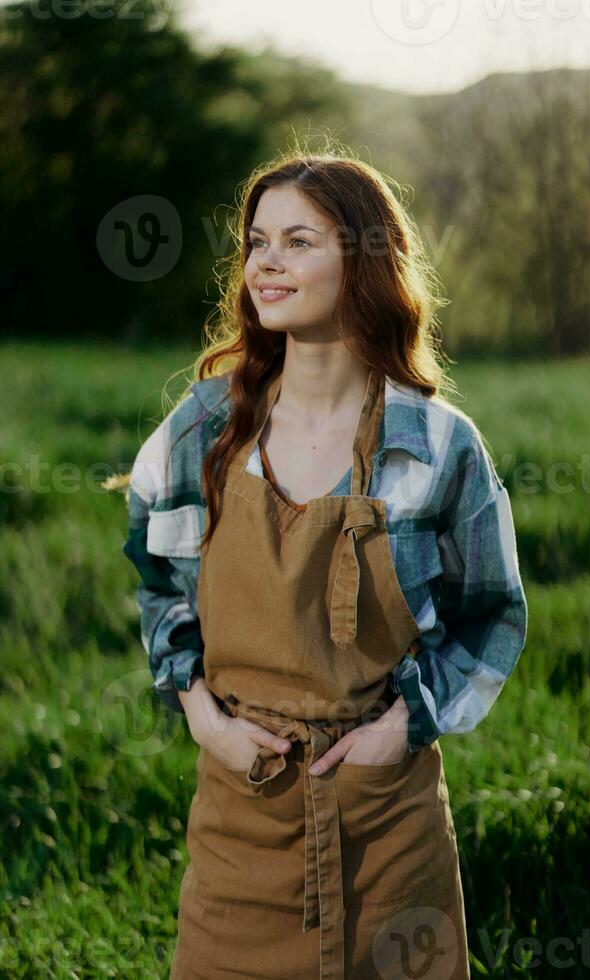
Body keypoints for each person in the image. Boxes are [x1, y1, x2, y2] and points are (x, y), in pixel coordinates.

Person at [122, 150, 528, 980]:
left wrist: (403, 729)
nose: (266, 262)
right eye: (257, 241)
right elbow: (158, 580)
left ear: (364, 261)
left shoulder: (438, 444)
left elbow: (493, 613)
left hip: (385, 821)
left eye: (297, 241)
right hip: (245, 811)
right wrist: (199, 712)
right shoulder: (204, 428)